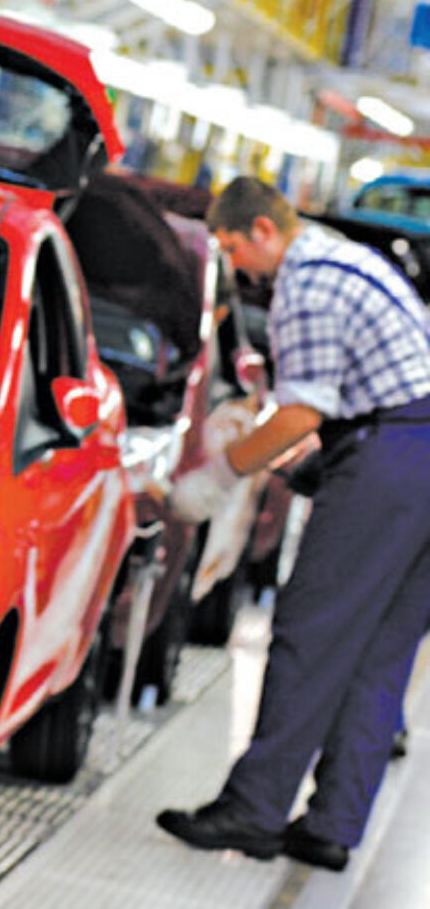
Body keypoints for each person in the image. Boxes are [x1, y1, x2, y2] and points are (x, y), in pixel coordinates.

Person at [156, 175, 430, 873]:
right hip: (413, 447)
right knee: (381, 653)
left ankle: (253, 810)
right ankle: (334, 824)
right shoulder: (349, 258)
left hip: (396, 459)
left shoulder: (305, 284)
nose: (234, 267)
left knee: (313, 630)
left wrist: (213, 479)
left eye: (231, 249)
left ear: (262, 230)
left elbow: (300, 413)